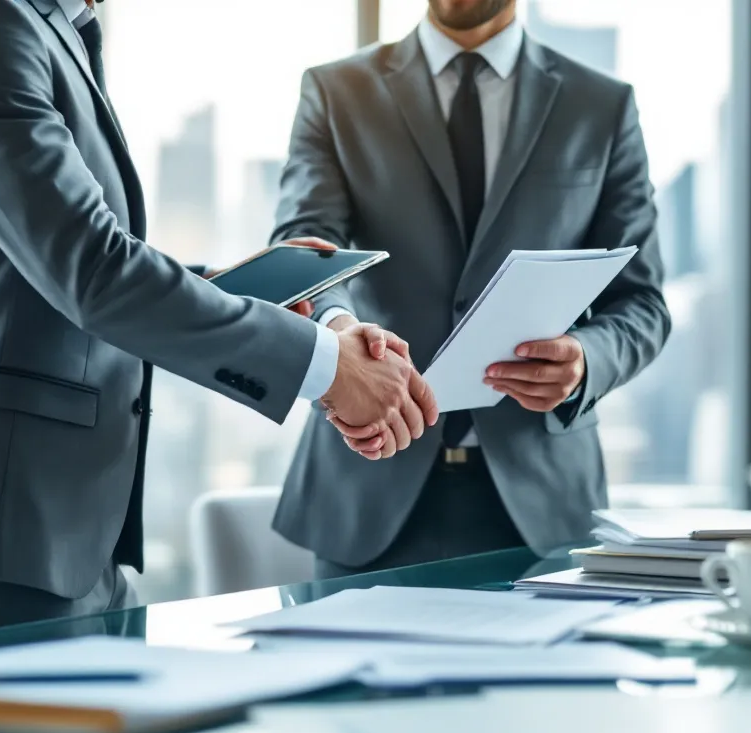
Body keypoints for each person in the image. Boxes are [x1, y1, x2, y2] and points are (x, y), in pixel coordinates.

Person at [0, 0, 436, 643]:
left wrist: (251, 293)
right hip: (2, 529)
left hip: (74, 530)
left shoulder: (46, 29)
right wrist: (322, 367)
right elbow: (94, 272)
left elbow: (77, 264)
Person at [272, 0, 671, 577]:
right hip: (367, 489)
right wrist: (339, 331)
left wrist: (587, 359)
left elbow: (643, 302)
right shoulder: (337, 91)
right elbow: (305, 247)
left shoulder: (601, 105)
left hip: (544, 503)